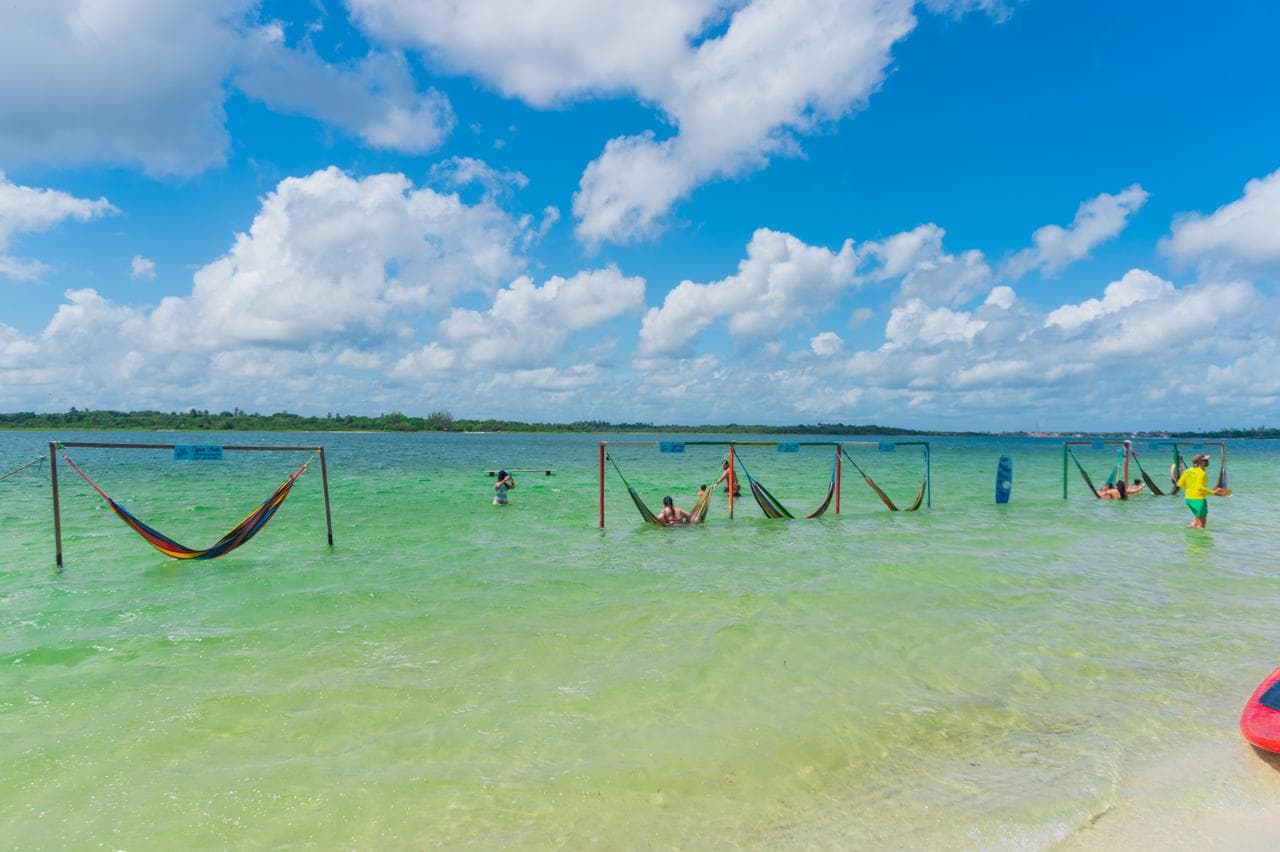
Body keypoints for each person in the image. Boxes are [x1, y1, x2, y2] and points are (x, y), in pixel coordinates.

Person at [1174, 453, 1226, 528]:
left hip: (1189, 500)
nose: (1207, 461)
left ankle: (1189, 534)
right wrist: (1214, 492)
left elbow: (1179, 484)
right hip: (1199, 501)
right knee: (1201, 526)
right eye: (1205, 460)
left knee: (1196, 521)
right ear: (1199, 462)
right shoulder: (1202, 473)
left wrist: (1191, 489)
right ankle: (1199, 538)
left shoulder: (1187, 471)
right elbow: (1200, 488)